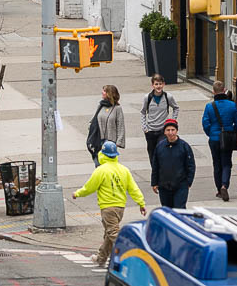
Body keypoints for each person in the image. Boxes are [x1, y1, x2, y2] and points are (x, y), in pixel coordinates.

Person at [76, 140, 146, 270]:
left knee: (113, 233)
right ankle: (101, 258)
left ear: (102, 154)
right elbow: (133, 188)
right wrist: (141, 203)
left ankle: (133, 255)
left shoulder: (101, 170)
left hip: (108, 207)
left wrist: (78, 193)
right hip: (120, 208)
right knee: (109, 234)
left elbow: (89, 187)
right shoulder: (124, 170)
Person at [150, 117, 196, 209]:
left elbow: (191, 166)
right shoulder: (160, 147)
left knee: (179, 209)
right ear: (164, 132)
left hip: (180, 185)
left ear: (176, 131)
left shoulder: (184, 147)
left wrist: (188, 182)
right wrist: (154, 182)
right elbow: (155, 166)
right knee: (167, 211)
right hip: (164, 186)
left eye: (173, 130)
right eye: (168, 130)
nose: (170, 132)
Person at [202, 82, 237, 201]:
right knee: (226, 163)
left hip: (214, 139)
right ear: (224, 90)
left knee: (216, 164)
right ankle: (224, 185)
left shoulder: (209, 106)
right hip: (227, 138)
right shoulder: (232, 105)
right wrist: (232, 132)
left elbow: (205, 123)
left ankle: (218, 189)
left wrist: (211, 133)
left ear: (213, 91)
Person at [141, 74, 178, 163]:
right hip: (150, 131)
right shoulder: (147, 98)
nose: (158, 86)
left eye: (160, 84)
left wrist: (172, 121)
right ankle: (155, 172)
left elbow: (176, 108)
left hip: (163, 131)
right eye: (156, 84)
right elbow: (143, 112)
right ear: (152, 85)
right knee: (152, 154)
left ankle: (162, 171)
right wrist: (144, 127)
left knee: (162, 152)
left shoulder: (168, 97)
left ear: (164, 84)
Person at [87, 83, 126, 165]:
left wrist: (118, 143)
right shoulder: (101, 105)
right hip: (98, 140)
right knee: (98, 163)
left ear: (109, 94)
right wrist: (91, 128)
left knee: (109, 165)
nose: (102, 92)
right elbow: (93, 119)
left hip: (110, 143)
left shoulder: (117, 109)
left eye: (104, 91)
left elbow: (120, 126)